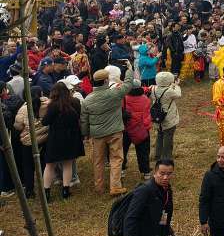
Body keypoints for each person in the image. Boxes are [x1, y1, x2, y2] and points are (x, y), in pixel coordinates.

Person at [80, 65, 136, 196]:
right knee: (116, 158)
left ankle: (99, 187)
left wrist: (85, 134)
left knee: (98, 161)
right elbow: (128, 84)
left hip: (97, 134)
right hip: (115, 131)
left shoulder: (87, 99)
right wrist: (129, 69)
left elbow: (84, 119)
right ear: (106, 80)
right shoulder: (115, 93)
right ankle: (115, 186)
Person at [41, 82, 83, 200]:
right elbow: (78, 118)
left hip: (55, 138)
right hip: (70, 138)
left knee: (49, 165)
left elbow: (45, 122)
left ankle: (46, 193)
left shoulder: (53, 106)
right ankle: (65, 191)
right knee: (67, 164)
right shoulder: (74, 102)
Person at [123, 159, 175, 236]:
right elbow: (131, 217)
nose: (165, 177)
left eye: (169, 174)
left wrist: (164, 232)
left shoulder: (167, 190)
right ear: (155, 173)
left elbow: (165, 212)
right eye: (162, 174)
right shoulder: (144, 190)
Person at [122, 85, 153, 180]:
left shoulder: (124, 98)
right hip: (141, 128)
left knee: (123, 150)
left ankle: (121, 169)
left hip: (126, 128)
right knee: (143, 151)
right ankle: (146, 171)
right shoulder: (145, 99)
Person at [152, 71, 181, 162]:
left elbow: (163, 89)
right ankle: (166, 158)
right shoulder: (169, 91)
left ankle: (158, 155)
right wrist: (176, 85)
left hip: (157, 116)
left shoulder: (153, 89)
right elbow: (178, 94)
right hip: (168, 117)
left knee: (160, 135)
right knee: (168, 138)